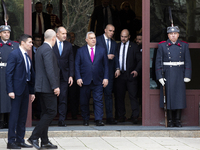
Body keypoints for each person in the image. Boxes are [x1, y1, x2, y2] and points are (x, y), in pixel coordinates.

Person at [28, 29, 60, 149]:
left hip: (42, 87)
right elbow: (49, 69)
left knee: (45, 113)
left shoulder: (40, 48)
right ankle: (34, 137)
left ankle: (45, 141)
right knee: (51, 112)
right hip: (47, 87)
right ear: (53, 38)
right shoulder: (47, 49)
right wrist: (55, 86)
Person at [155, 25, 192, 127]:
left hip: (180, 73)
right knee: (169, 98)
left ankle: (178, 120)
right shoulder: (162, 46)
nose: (173, 36)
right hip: (168, 73)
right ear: (168, 35)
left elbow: (188, 61)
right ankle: (170, 120)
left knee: (179, 98)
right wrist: (160, 76)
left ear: (178, 35)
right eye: (171, 34)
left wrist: (187, 75)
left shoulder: (184, 45)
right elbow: (158, 62)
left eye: (175, 34)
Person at [6, 34, 35, 149]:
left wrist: (32, 92)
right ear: (22, 43)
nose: (31, 44)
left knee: (23, 116)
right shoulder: (14, 54)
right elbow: (9, 73)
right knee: (14, 116)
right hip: (16, 91)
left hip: (25, 89)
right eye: (30, 42)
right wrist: (10, 90)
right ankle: (11, 141)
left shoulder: (27, 56)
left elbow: (30, 75)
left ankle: (20, 139)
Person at [75, 31, 109, 126]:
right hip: (84, 80)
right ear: (86, 40)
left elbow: (106, 65)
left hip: (98, 80)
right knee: (84, 101)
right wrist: (78, 77)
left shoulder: (102, 50)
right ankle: (85, 119)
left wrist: (106, 78)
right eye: (91, 38)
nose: (93, 40)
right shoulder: (80, 51)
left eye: (94, 38)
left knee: (98, 100)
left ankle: (98, 119)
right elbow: (77, 65)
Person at [114, 29, 142, 124]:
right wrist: (116, 69)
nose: (123, 38)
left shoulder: (134, 47)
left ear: (129, 37)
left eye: (125, 37)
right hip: (120, 75)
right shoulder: (117, 46)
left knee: (133, 96)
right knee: (119, 96)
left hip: (130, 74)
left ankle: (135, 116)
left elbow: (140, 60)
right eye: (122, 36)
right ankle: (121, 116)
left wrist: (136, 70)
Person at [96, 24, 120, 124]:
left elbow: (116, 57)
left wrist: (117, 68)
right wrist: (106, 56)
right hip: (98, 72)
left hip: (109, 73)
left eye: (113, 31)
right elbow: (93, 54)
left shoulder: (114, 43)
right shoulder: (97, 40)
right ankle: (99, 118)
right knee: (98, 96)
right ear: (105, 30)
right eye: (110, 31)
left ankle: (110, 118)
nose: (112, 33)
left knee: (109, 95)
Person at [53, 27, 74, 126]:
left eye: (65, 33)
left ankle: (61, 120)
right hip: (53, 76)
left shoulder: (69, 45)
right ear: (57, 34)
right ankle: (49, 118)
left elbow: (71, 61)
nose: (65, 35)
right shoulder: (52, 44)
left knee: (63, 98)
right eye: (63, 33)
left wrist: (71, 75)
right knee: (52, 98)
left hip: (65, 76)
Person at [0, 25, 19, 129]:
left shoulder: (15, 45)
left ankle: (9, 121)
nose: (6, 34)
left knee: (10, 98)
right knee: (1, 97)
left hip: (11, 73)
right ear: (0, 34)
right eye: (4, 32)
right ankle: (1, 121)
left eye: (8, 32)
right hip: (0, 74)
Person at [68, 32, 80, 119]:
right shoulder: (63, 48)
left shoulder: (78, 49)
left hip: (75, 75)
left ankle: (74, 113)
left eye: (73, 37)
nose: (71, 39)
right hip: (64, 75)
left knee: (74, 95)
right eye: (70, 37)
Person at [32, 34, 42, 120]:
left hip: (39, 76)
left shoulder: (42, 50)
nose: (39, 42)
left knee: (39, 96)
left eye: (40, 40)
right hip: (32, 75)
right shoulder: (29, 51)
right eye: (37, 40)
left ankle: (38, 113)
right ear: (33, 41)